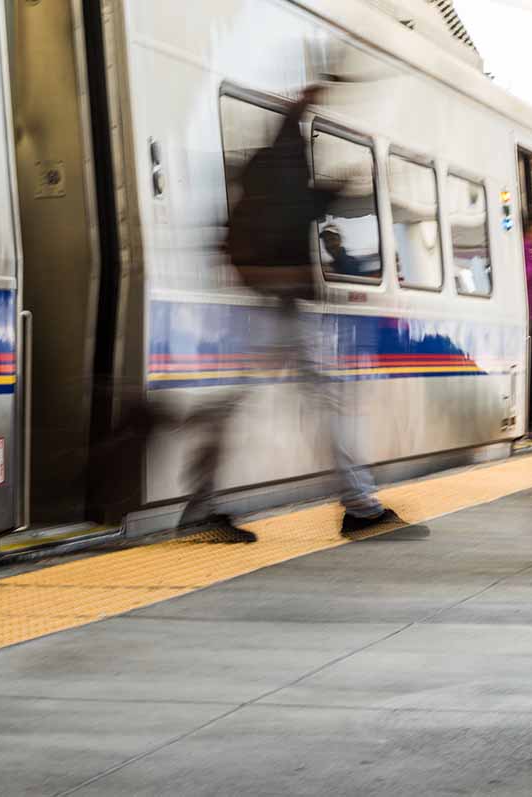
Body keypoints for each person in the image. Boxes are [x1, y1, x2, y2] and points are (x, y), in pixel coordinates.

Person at [180, 82, 428, 542]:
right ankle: (359, 507)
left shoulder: (266, 167)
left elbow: (293, 207)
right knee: (322, 404)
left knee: (235, 404)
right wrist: (341, 190)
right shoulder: (286, 165)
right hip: (283, 307)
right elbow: (298, 208)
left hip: (263, 305)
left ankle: (201, 506)